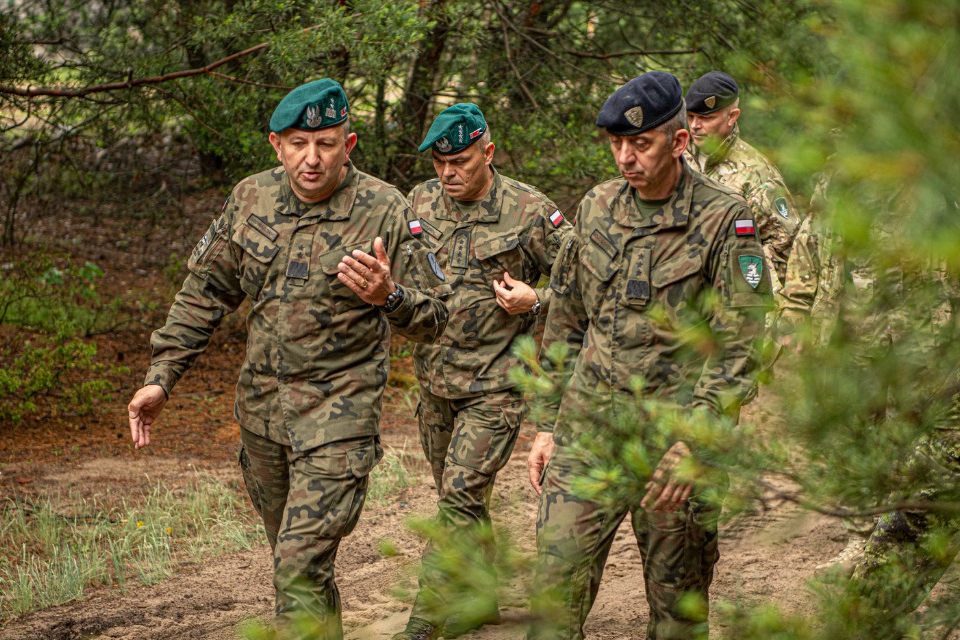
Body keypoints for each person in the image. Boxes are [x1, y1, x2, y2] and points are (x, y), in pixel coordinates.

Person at [125, 79, 447, 639]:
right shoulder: (250, 198)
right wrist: (161, 378)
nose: (313, 159)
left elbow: (438, 315)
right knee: (298, 570)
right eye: (300, 143)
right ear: (276, 144)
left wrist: (389, 297)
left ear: (350, 143)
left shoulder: (387, 210)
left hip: (339, 419)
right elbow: (205, 293)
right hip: (263, 420)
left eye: (327, 143)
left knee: (298, 565)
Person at [526, 71, 771, 640]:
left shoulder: (722, 221)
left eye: (640, 144)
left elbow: (742, 341)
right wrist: (545, 424)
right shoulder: (596, 207)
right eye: (616, 144)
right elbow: (566, 316)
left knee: (676, 609)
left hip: (672, 441)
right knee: (552, 593)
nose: (625, 158)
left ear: (680, 142)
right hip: (589, 432)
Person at [392, 103, 572, 640]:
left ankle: (422, 622)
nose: (449, 173)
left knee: (460, 497)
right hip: (434, 385)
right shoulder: (420, 202)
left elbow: (588, 278)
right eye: (440, 163)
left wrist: (536, 298)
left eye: (461, 161)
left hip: (496, 386)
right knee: (461, 501)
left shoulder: (528, 209)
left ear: (488, 152)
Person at [684, 71, 800, 295]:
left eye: (706, 118)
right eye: (690, 117)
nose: (695, 126)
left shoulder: (757, 173)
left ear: (732, 116)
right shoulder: (678, 156)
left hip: (730, 298)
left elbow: (785, 247)